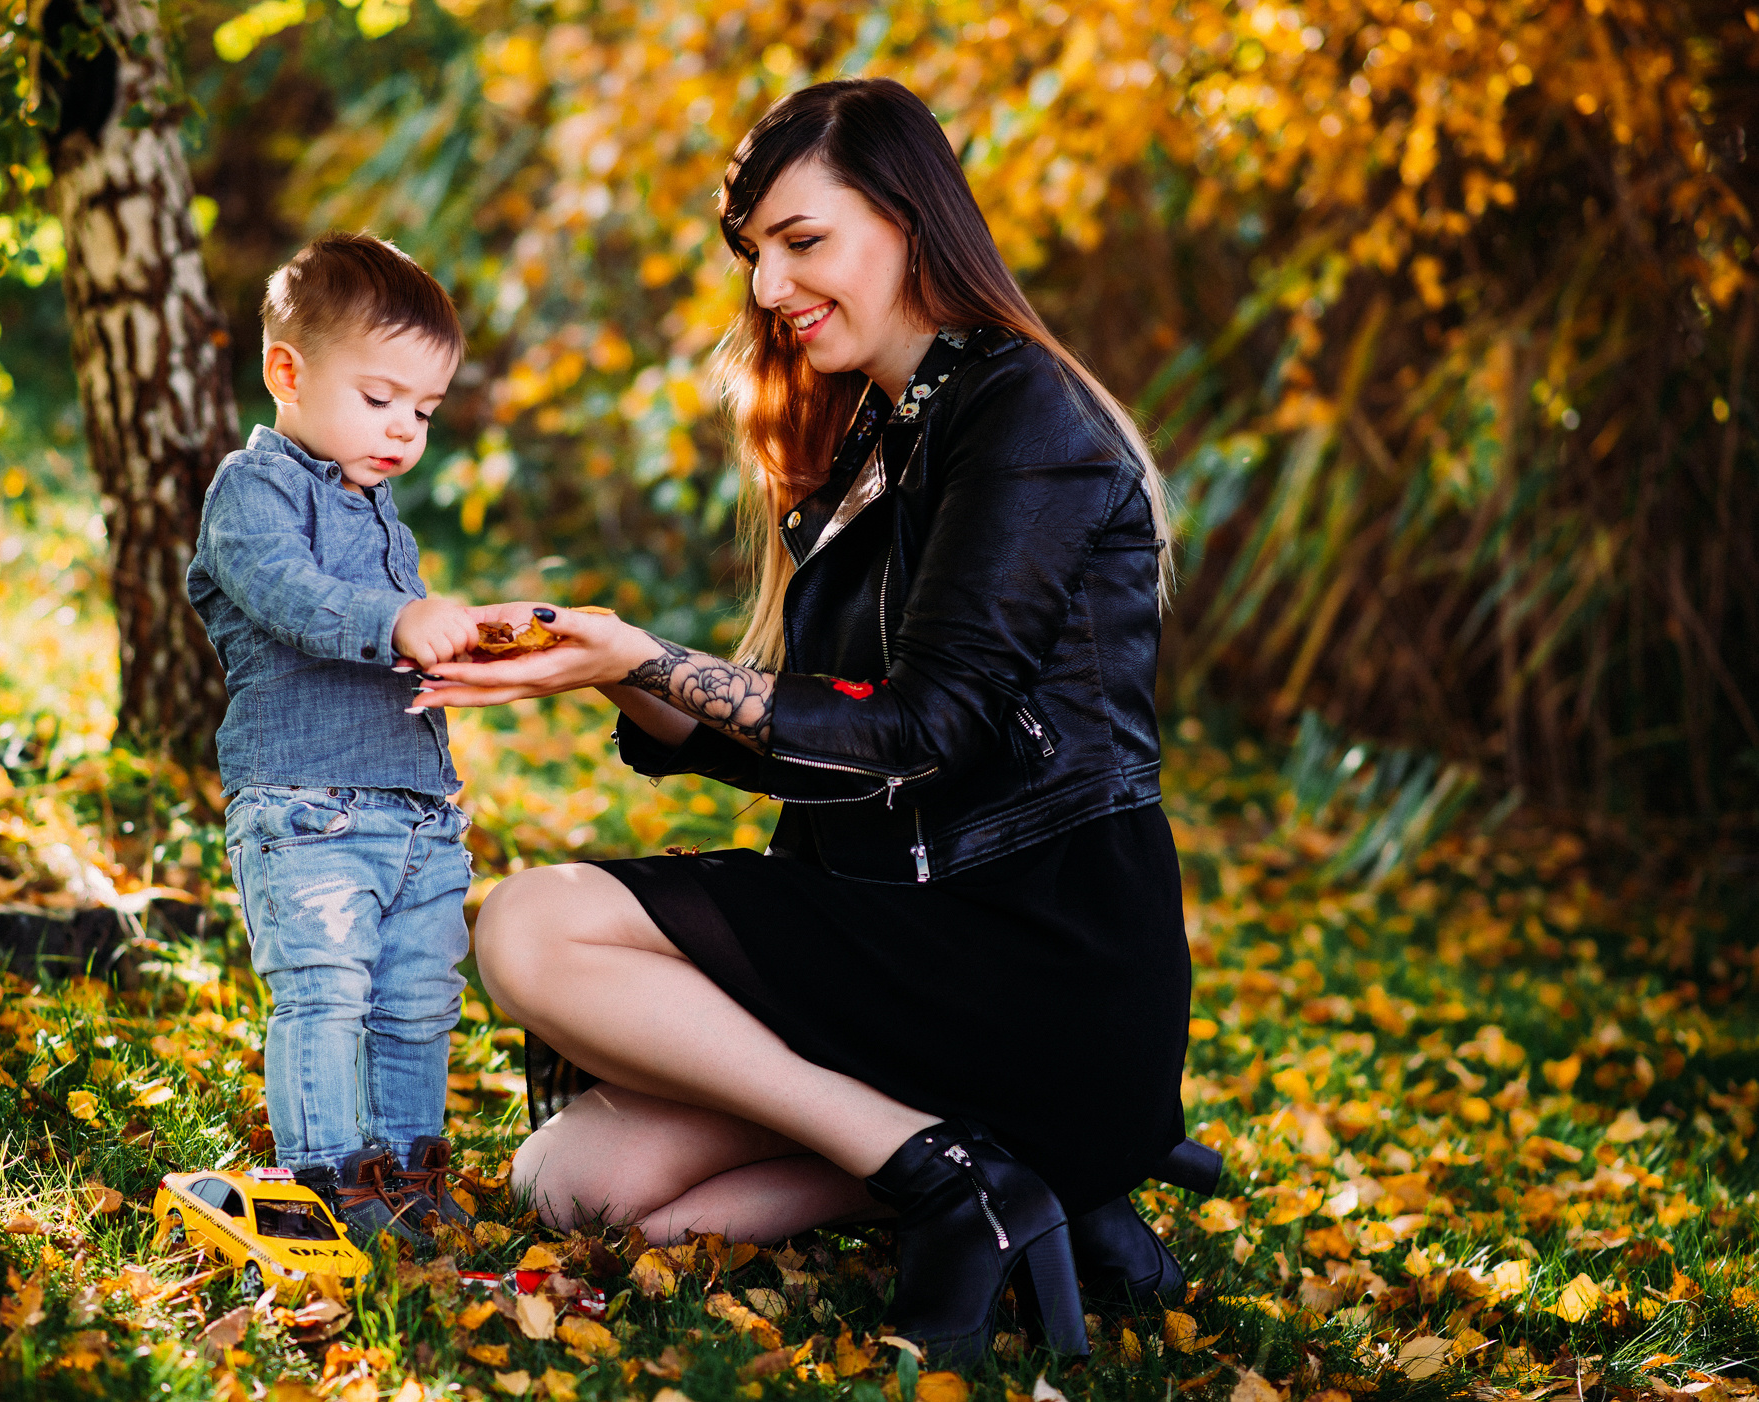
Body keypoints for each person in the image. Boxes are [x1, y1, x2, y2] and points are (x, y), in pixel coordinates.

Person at [417, 79, 1196, 1361]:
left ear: (909, 218)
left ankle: (951, 1168)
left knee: (529, 920)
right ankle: (1003, 1170)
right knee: (570, 1187)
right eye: (756, 254)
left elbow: (924, 731)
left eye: (802, 241)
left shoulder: (1024, 416)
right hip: (905, 940)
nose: (771, 288)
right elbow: (834, 742)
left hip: (1035, 945)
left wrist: (659, 660)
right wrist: (606, 665)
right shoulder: (874, 438)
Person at [186, 231, 486, 1240]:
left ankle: (407, 1175)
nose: (404, 428)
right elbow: (290, 596)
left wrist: (453, 652)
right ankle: (327, 1180)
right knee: (324, 992)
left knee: (415, 1002)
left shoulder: (379, 511)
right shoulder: (251, 491)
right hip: (306, 807)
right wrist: (398, 620)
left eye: (424, 411)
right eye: (381, 398)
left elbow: (385, 631)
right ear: (287, 371)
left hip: (416, 812)